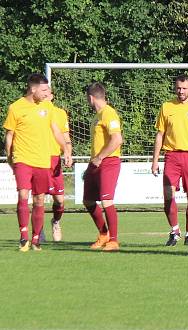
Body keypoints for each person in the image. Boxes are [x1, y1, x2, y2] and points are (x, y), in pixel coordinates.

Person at [4, 74, 71, 251]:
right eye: (43, 90)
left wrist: (65, 149)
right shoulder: (15, 108)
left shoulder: (47, 106)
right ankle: (24, 236)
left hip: (42, 161)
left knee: (39, 200)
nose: (47, 93)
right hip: (23, 158)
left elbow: (56, 130)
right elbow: (9, 135)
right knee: (23, 195)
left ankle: (36, 239)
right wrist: (10, 157)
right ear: (33, 89)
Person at [152, 74, 188, 246]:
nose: (181, 91)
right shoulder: (166, 106)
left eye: (184, 88)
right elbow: (160, 135)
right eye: (178, 88)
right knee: (168, 195)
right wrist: (155, 160)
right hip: (172, 156)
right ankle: (175, 231)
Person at [84, 82, 123, 252]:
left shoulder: (109, 113)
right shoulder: (97, 115)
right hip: (96, 162)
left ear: (91, 98)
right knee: (88, 200)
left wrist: (100, 157)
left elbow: (117, 140)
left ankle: (113, 240)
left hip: (108, 162)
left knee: (106, 200)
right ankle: (103, 234)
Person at [44, 92, 71, 242]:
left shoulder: (60, 113)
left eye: (47, 93)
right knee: (38, 198)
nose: (44, 96)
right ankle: (37, 230)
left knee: (60, 200)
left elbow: (66, 137)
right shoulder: (35, 112)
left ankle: (55, 222)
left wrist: (68, 153)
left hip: (55, 160)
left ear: (52, 95)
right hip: (38, 158)